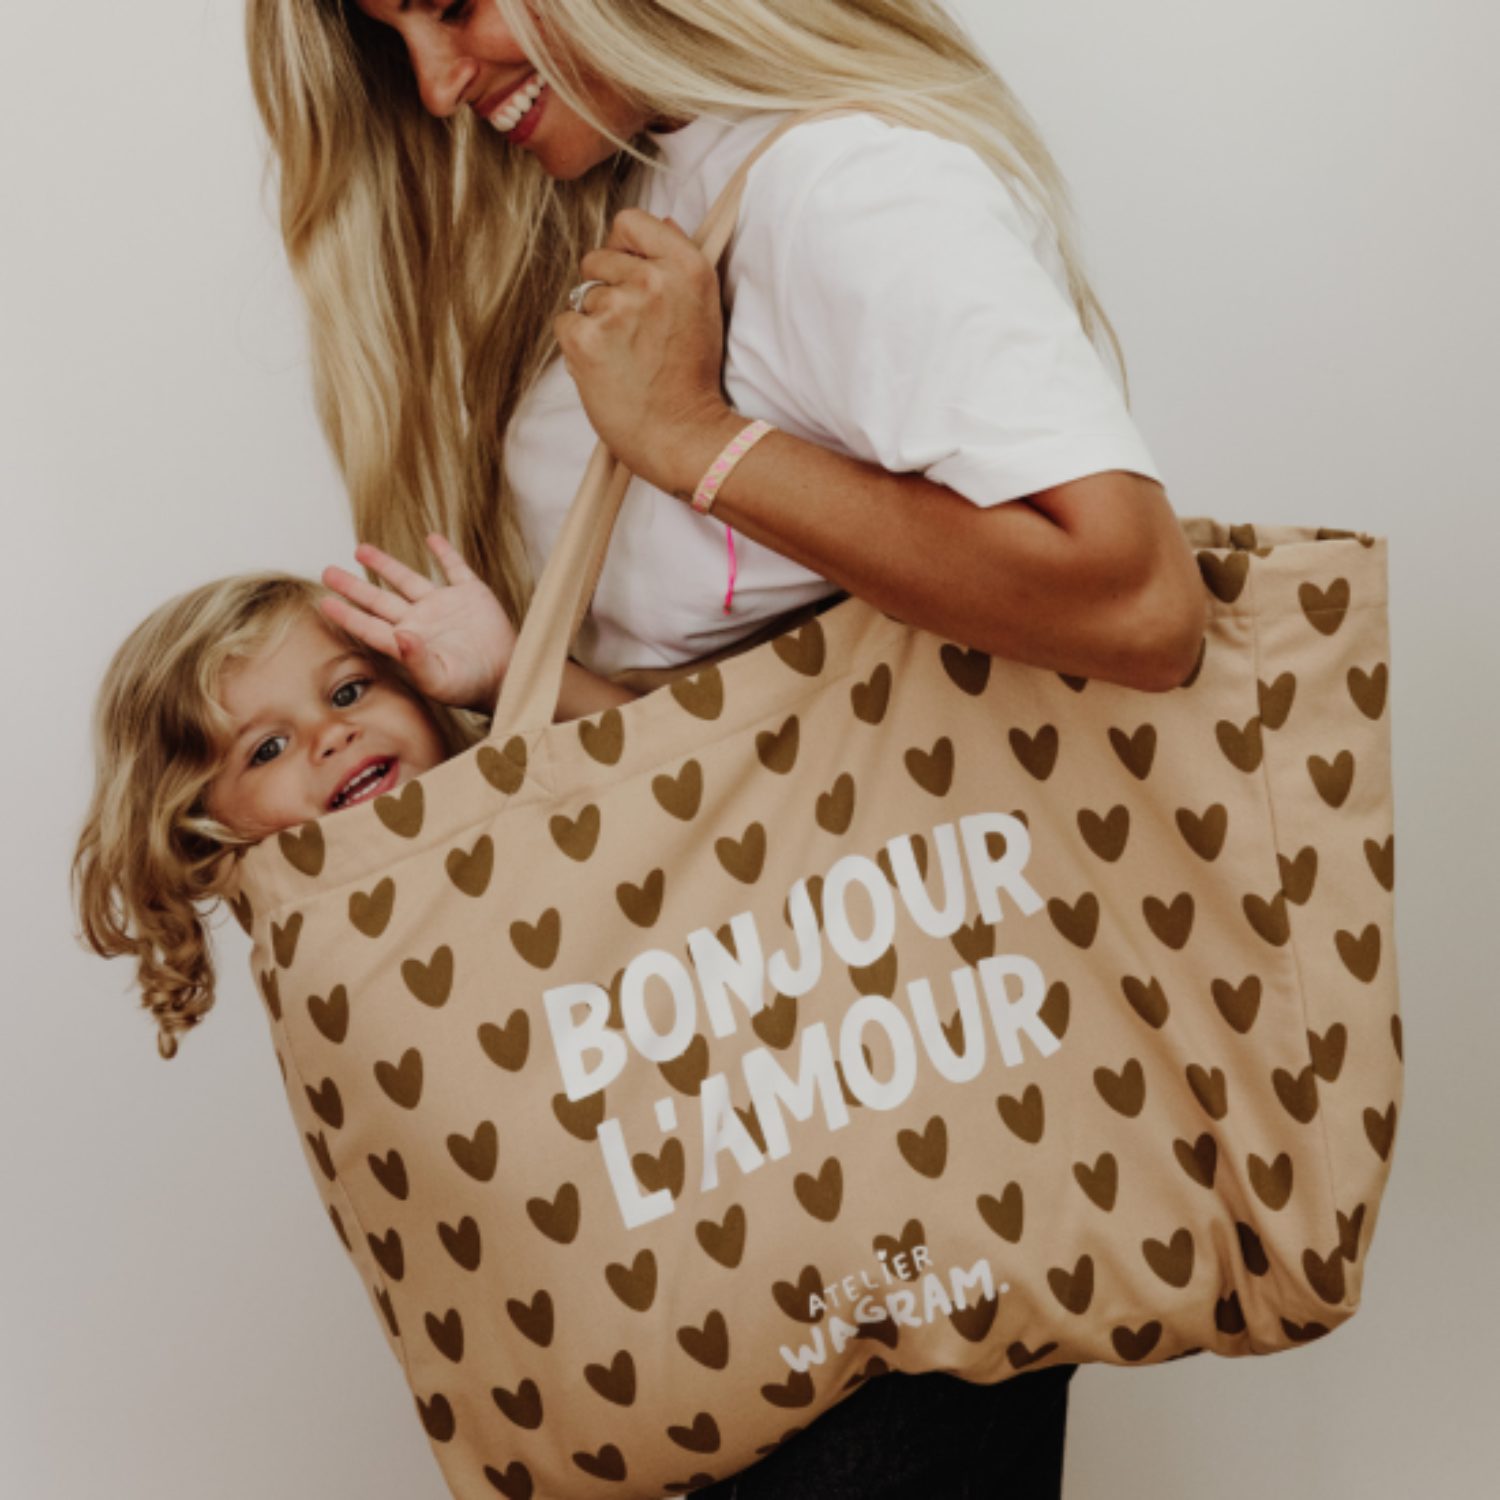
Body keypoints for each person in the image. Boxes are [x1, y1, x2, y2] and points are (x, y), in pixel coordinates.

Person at [242, 1, 1210, 1491]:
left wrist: (694, 440)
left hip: (878, 1116)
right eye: (393, 42)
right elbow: (747, 750)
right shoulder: (646, 184)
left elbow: (1138, 602)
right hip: (742, 1131)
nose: (432, 88)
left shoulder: (838, 187)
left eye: (449, 5)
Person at [71, 533, 638, 1059]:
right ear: (200, 838)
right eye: (268, 749)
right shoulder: (331, 975)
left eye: (348, 691)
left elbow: (672, 780)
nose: (332, 734)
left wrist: (510, 675)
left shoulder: (534, 790)